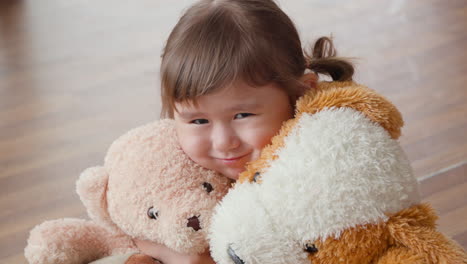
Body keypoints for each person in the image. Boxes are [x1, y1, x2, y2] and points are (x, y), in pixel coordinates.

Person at [136, 0, 354, 263]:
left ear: (301, 92)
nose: (223, 142)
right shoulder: (171, 167)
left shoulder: (315, 173)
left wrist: (183, 258)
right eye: (198, 121)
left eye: (242, 116)